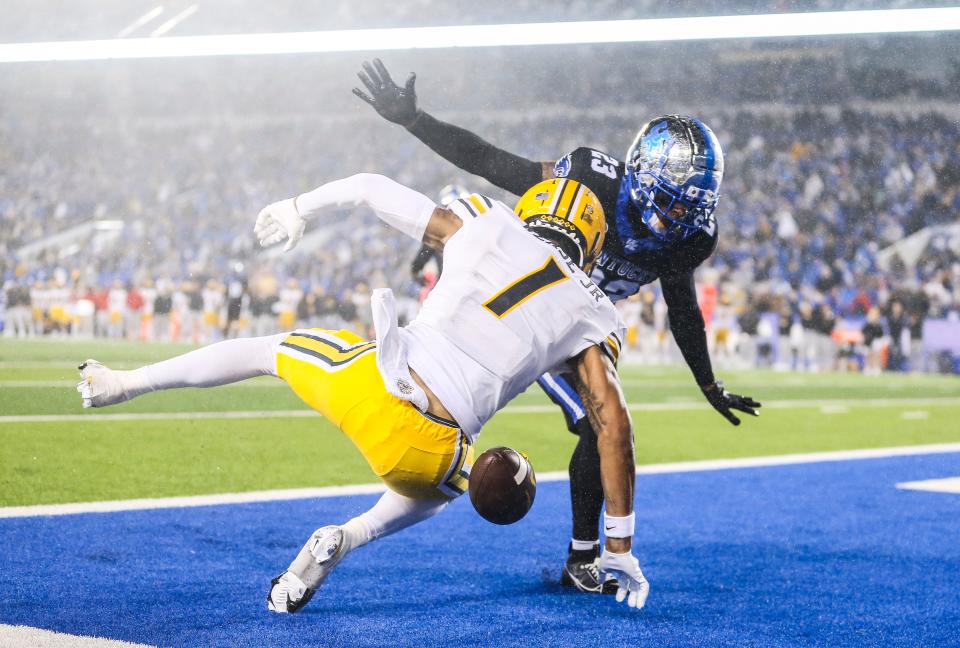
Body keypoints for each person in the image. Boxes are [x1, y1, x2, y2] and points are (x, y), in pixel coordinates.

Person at [77, 173, 649, 612]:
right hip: (430, 451)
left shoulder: (484, 220)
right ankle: (347, 537)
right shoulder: (593, 311)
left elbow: (371, 187)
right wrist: (617, 544)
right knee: (444, 484)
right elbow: (612, 427)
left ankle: (123, 383)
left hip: (376, 385)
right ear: (593, 245)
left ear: (530, 209)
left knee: (264, 351)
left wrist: (298, 208)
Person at [354, 59, 762, 593]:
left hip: (580, 324)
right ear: (639, 176)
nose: (676, 220)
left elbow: (681, 305)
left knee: (600, 426)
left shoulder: (690, 237)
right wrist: (415, 120)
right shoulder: (593, 180)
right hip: (532, 303)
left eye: (689, 208)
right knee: (590, 423)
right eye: (667, 202)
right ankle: (575, 554)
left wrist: (709, 384)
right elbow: (492, 162)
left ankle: (582, 557)